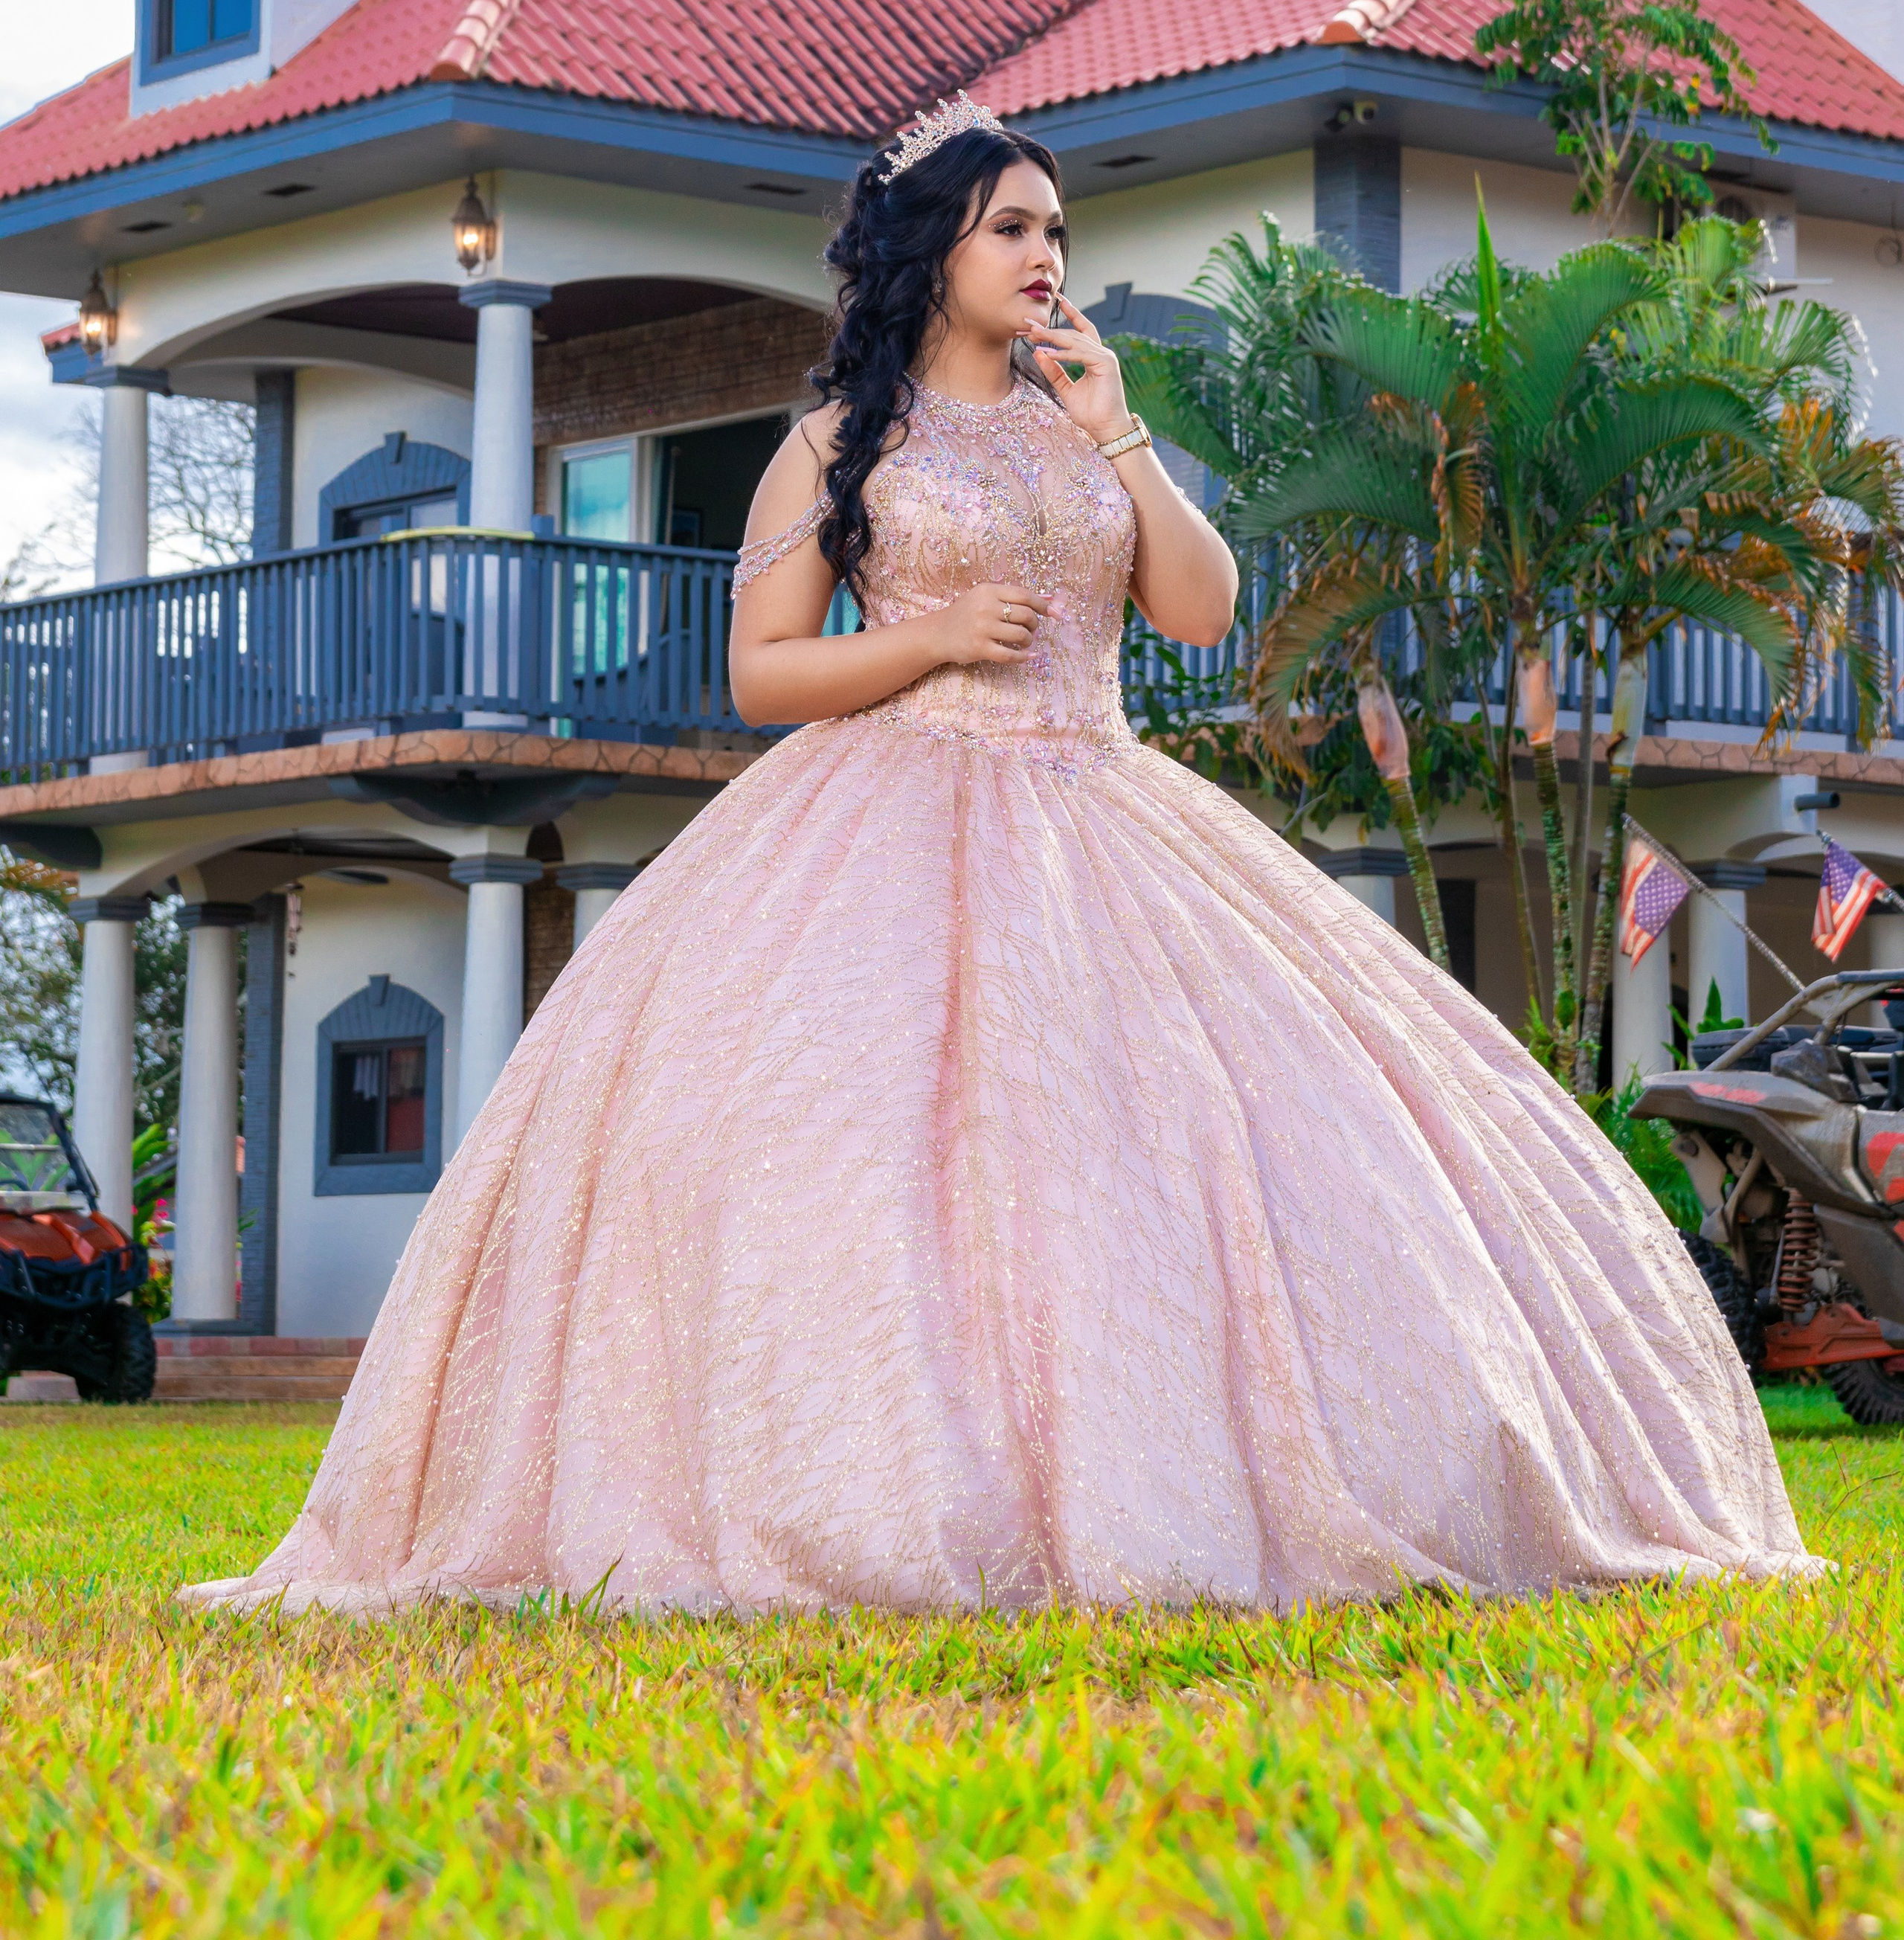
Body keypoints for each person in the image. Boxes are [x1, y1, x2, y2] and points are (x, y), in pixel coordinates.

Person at [185, 95, 1810, 1616]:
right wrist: (935, 635)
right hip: (880, 819)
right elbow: (760, 673)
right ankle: (900, 1489)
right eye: (1011, 228)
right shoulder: (835, 442)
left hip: (1104, 810)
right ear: (933, 255)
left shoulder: (1082, 420)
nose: (1045, 256)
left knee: (1159, 1162)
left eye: (1055, 229)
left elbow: (1194, 611)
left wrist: (1119, 441)